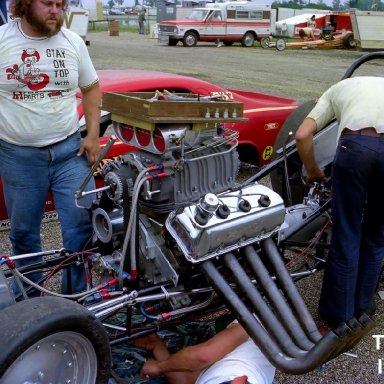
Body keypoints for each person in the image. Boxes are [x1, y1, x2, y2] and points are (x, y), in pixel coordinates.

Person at [0, 0, 100, 295]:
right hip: (18, 156)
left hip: (70, 153)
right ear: (25, 4)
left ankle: (75, 300)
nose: (56, 10)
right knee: (24, 234)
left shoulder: (72, 42)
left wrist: (92, 134)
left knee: (81, 228)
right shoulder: (3, 39)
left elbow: (91, 87)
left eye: (60, 4)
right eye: (48, 3)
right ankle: (32, 304)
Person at [294, 76, 384, 328]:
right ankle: (362, 308)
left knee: (347, 232)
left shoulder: (335, 91)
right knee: (376, 236)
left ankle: (339, 317)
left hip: (355, 149)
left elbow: (302, 135)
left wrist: (312, 170)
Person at [134, 322, 276, 384]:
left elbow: (201, 359)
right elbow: (202, 356)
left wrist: (158, 350)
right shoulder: (257, 327)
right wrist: (159, 365)